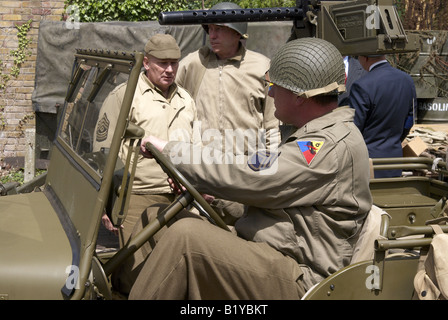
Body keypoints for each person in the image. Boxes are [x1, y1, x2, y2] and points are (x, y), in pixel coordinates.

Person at [129, 37, 373, 300]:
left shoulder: (325, 147)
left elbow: (251, 175)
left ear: (300, 96)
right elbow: (268, 192)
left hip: (301, 276)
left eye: (274, 87)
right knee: (160, 216)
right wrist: (215, 196)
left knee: (186, 238)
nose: (269, 94)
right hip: (273, 252)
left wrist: (172, 150)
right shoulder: (310, 135)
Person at [93, 34, 197, 294]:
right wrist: (107, 203)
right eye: (163, 63)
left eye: (175, 63)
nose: (170, 69)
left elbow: (195, 147)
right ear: (147, 62)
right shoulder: (125, 96)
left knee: (174, 268)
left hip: (179, 196)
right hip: (137, 195)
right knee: (133, 271)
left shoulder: (186, 100)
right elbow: (103, 150)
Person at [175, 2, 280, 224]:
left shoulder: (262, 68)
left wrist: (267, 175)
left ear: (236, 32)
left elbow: (271, 125)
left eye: (219, 29)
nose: (212, 35)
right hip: (203, 177)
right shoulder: (194, 63)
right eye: (209, 29)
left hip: (244, 177)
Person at [349, 54, 416, 178]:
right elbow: (409, 120)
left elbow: (354, 128)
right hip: (394, 160)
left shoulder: (361, 85)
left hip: (367, 162)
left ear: (365, 58)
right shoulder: (407, 80)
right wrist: (394, 140)